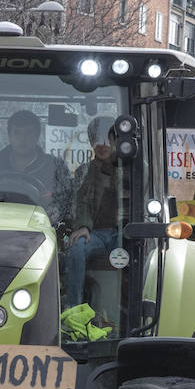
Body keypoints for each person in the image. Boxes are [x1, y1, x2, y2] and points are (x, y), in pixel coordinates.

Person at [0, 109, 72, 224]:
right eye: (17, 133)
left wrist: (55, 202)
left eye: (29, 133)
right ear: (9, 136)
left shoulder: (56, 167)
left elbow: (68, 199)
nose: (23, 139)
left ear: (37, 136)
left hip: (41, 227)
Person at [64, 116, 119, 308]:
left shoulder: (135, 170)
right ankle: (74, 308)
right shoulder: (84, 172)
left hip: (123, 234)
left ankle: (120, 309)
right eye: (95, 140)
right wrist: (83, 227)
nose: (101, 145)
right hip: (96, 234)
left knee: (132, 252)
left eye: (106, 139)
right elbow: (82, 202)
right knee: (76, 247)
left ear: (116, 140)